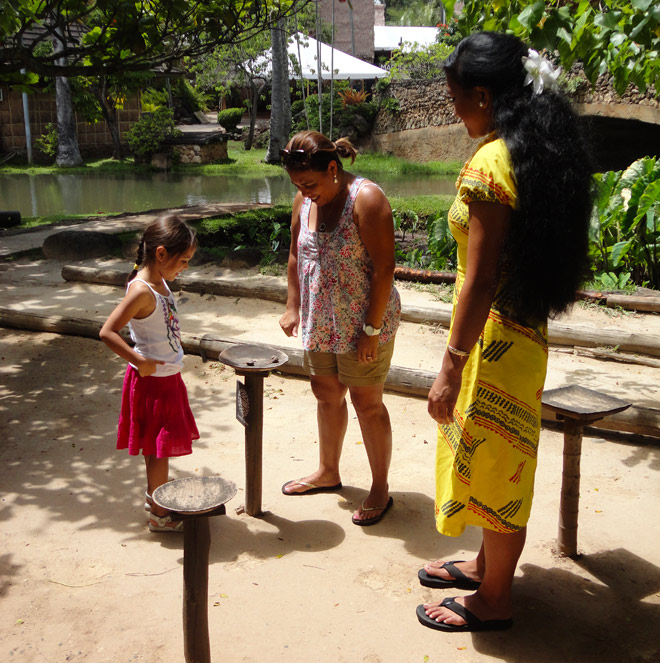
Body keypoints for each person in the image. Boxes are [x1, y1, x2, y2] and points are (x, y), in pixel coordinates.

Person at [417, 32, 592, 631]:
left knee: (494, 465)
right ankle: (486, 567)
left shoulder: (492, 162)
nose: (454, 110)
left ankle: (495, 600)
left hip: (491, 342)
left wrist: (449, 366)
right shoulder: (537, 151)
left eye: (457, 98)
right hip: (524, 338)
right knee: (498, 457)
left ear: (485, 95)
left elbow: (482, 277)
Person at [279, 130, 401, 526]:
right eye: (298, 185)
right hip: (320, 316)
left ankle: (380, 487)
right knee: (325, 393)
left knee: (367, 402)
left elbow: (385, 269)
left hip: (364, 319)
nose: (305, 192)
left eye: (310, 183)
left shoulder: (366, 199)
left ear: (334, 169)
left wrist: (372, 329)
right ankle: (328, 472)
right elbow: (297, 254)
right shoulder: (304, 199)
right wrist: (293, 306)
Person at [100, 214, 199, 533]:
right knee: (160, 450)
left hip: (167, 378)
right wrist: (138, 360)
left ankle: (155, 499)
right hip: (153, 382)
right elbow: (108, 331)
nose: (185, 266)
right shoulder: (142, 290)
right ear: (160, 254)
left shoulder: (158, 281)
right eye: (182, 260)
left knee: (158, 448)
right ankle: (160, 514)